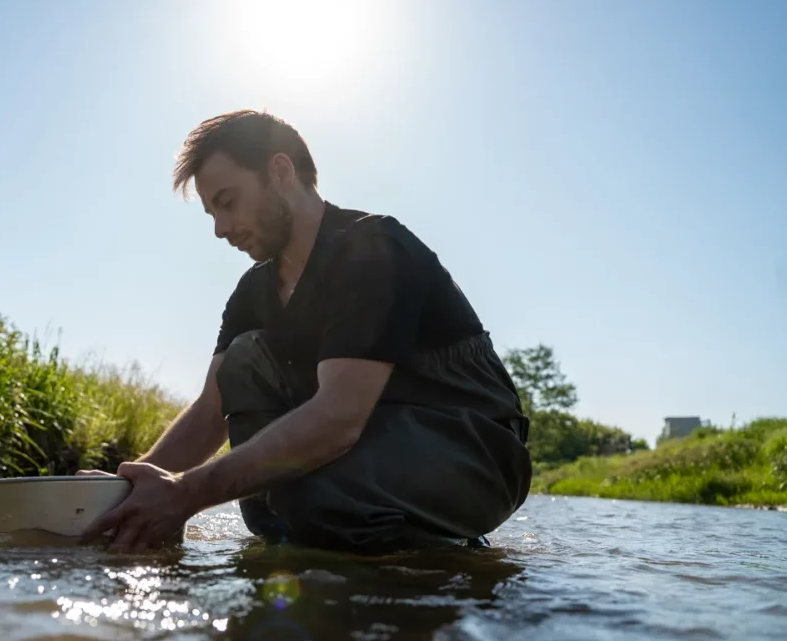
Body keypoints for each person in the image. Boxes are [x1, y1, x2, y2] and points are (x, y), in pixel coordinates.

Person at [79, 110, 531, 554]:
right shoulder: (253, 291)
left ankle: (439, 554)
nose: (220, 230)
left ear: (279, 172)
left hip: (476, 448)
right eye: (211, 213)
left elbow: (338, 418)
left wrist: (186, 493)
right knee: (266, 489)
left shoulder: (374, 249)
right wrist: (127, 490)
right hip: (374, 438)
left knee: (312, 496)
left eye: (228, 202)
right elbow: (208, 414)